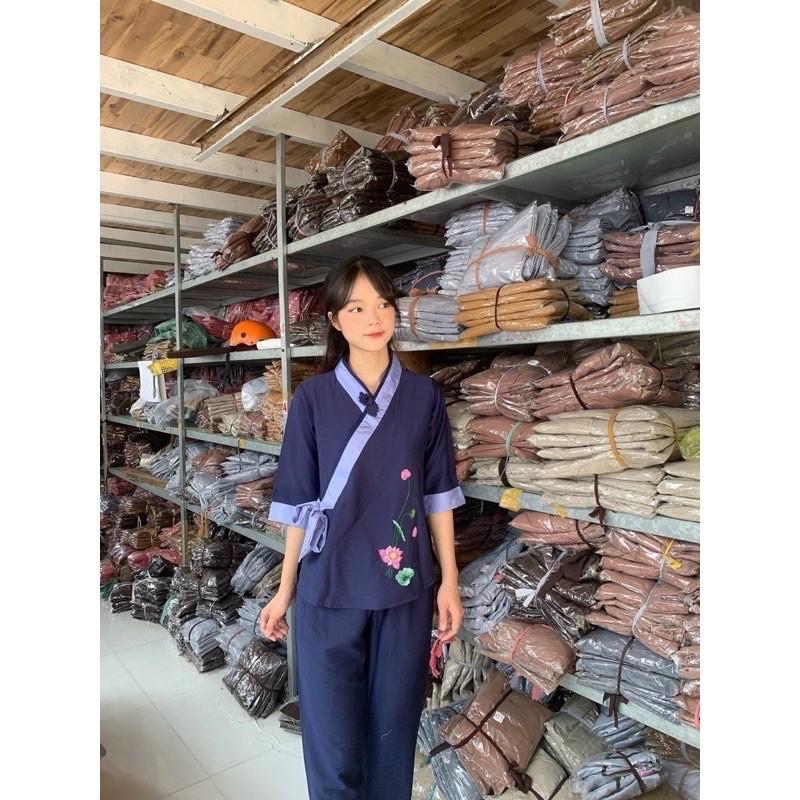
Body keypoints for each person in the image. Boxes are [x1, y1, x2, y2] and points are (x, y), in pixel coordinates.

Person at [258, 255, 465, 799]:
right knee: (332, 742)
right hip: (328, 587)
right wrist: (284, 589)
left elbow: (438, 495)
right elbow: (298, 503)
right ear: (334, 319)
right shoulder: (312, 399)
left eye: (383, 304)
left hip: (404, 590)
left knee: (392, 734)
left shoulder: (423, 396)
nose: (373, 318)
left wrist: (449, 581)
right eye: (356, 308)